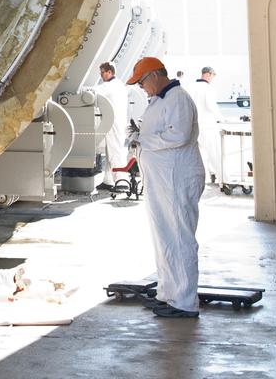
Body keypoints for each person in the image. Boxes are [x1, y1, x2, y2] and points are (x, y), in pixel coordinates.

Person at [126, 56, 205, 319]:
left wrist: (143, 140)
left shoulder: (178, 98)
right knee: (164, 238)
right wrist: (139, 139)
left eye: (141, 82)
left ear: (155, 76)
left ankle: (184, 302)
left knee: (180, 238)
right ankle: (168, 293)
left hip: (177, 178)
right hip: (162, 181)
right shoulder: (159, 100)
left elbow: (179, 135)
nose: (141, 88)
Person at [186, 66, 225, 184]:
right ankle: (223, 179)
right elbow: (211, 106)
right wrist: (221, 119)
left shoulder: (189, 87)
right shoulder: (208, 88)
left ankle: (200, 179)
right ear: (208, 74)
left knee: (198, 155)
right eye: (213, 75)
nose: (213, 78)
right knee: (214, 153)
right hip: (207, 126)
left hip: (192, 127)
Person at [94, 61, 129, 184]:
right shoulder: (118, 84)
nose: (101, 75)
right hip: (116, 121)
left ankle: (122, 181)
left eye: (103, 72)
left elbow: (95, 92)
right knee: (111, 152)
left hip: (114, 123)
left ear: (110, 72)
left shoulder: (111, 85)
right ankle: (109, 181)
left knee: (115, 152)